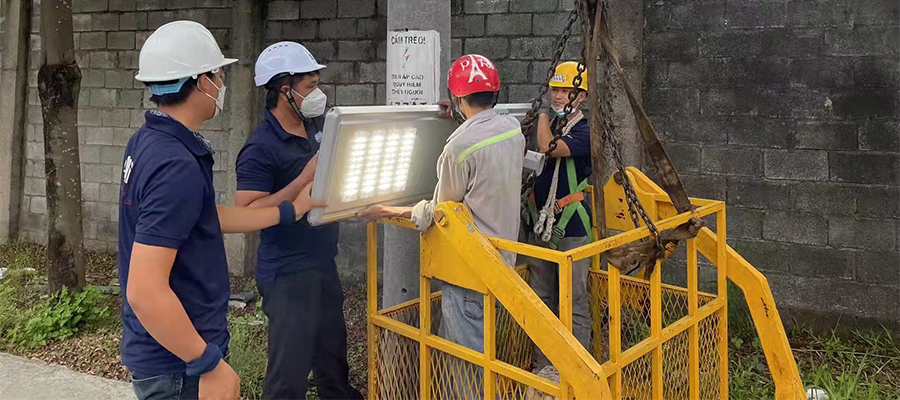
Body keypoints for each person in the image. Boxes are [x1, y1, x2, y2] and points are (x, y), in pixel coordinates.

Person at [119, 23, 323, 400]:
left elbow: (207, 216)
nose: (222, 83)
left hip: (171, 348)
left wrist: (290, 210)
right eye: (218, 74)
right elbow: (145, 291)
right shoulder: (174, 163)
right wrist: (207, 364)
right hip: (178, 362)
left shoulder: (150, 141)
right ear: (198, 82)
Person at [359, 53, 525, 360]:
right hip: (502, 260)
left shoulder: (458, 149)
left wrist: (388, 211)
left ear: (457, 97)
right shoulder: (512, 129)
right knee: (488, 356)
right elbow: (482, 146)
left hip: (469, 267)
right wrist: (462, 118)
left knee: (468, 365)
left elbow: (441, 211)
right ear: (496, 93)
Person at [234, 41, 362, 400]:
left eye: (317, 84)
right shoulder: (260, 148)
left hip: (322, 263)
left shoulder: (318, 125)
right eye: (310, 87)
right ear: (284, 90)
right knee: (288, 378)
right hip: (287, 274)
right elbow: (250, 212)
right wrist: (302, 179)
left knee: (333, 365)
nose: (317, 93)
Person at [521, 61, 594, 373]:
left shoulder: (584, 131)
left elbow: (549, 147)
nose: (560, 96)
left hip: (572, 226)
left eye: (567, 90)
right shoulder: (551, 124)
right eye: (556, 89)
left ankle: (578, 369)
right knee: (542, 297)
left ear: (581, 96)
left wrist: (540, 115)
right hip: (542, 224)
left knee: (574, 300)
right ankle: (544, 363)